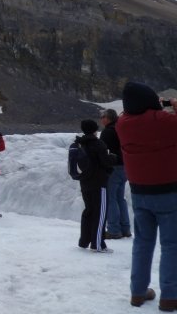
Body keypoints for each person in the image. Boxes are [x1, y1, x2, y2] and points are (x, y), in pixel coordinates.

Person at [116, 82, 177, 310]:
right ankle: (170, 295)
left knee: (142, 243)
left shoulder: (123, 123)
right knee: (172, 245)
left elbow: (134, 113)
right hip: (169, 192)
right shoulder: (163, 121)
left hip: (140, 193)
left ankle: (138, 293)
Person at [76, 119, 116, 252]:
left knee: (89, 210)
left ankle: (84, 241)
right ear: (94, 130)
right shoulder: (98, 144)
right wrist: (113, 158)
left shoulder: (80, 143)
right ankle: (98, 244)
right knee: (100, 212)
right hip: (99, 182)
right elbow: (105, 162)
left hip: (85, 182)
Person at [100, 108, 131, 239]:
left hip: (113, 167)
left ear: (107, 118)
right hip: (125, 166)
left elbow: (102, 151)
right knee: (120, 198)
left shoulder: (107, 132)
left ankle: (113, 230)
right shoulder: (121, 129)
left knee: (110, 198)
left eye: (102, 117)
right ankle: (126, 229)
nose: (101, 119)